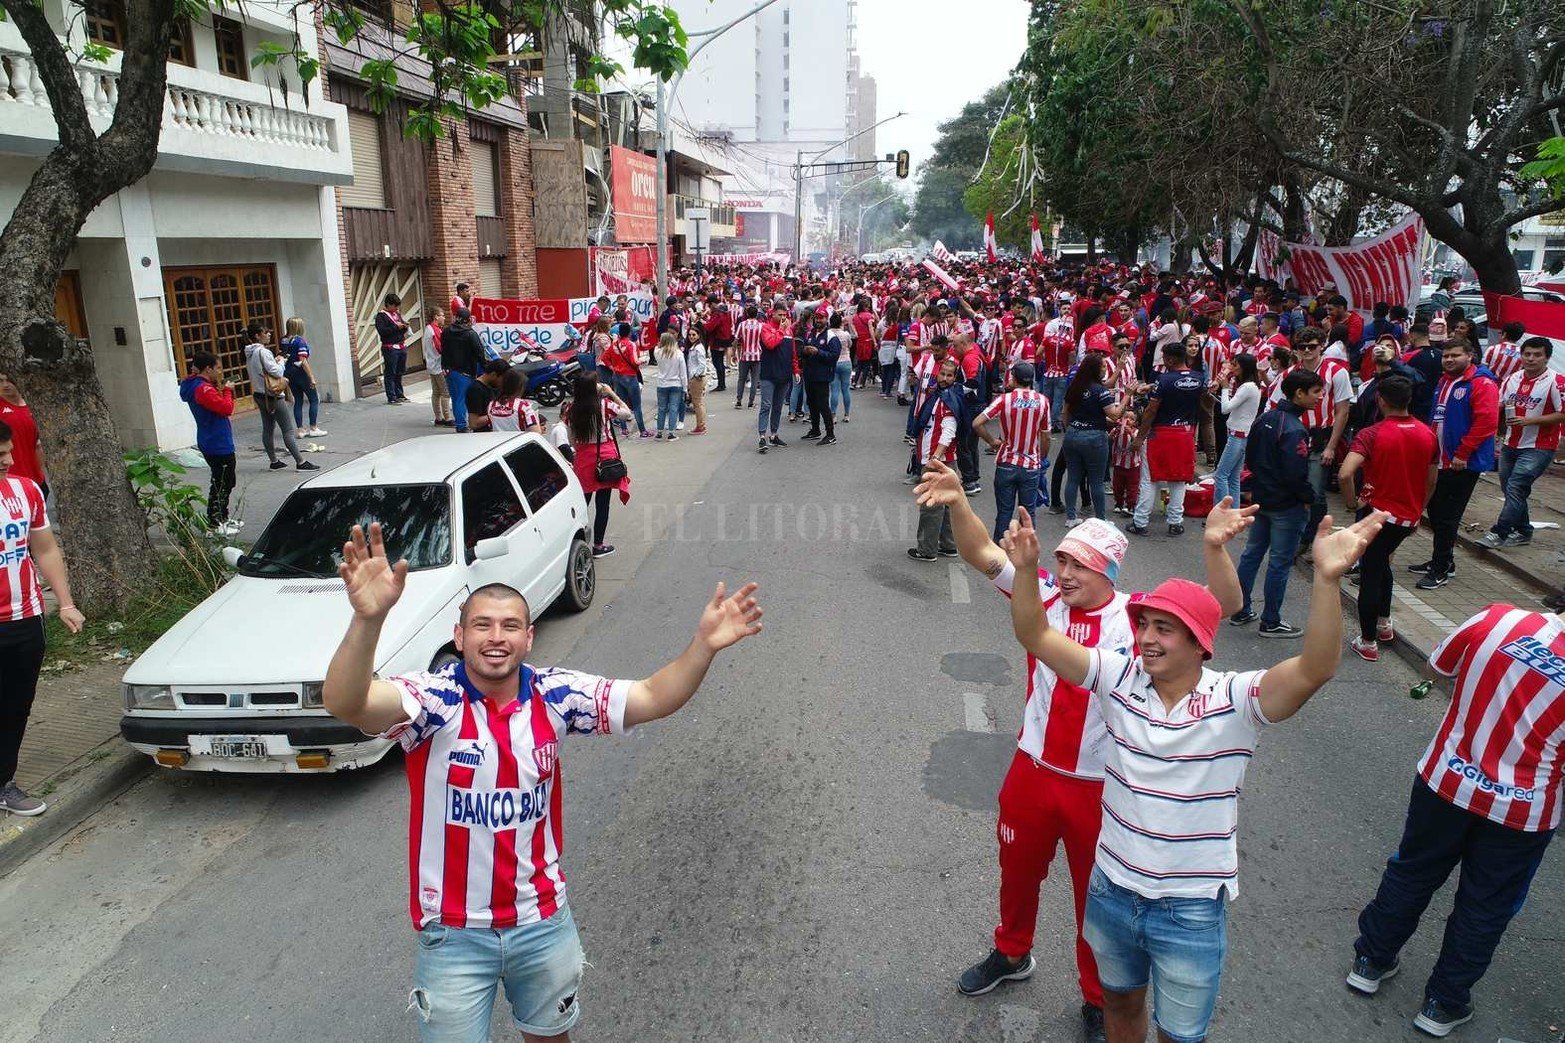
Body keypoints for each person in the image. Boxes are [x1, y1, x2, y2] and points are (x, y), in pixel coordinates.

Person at [320, 525, 762, 1042]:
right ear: (459, 637)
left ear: (528, 638)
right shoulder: (431, 702)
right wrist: (367, 620)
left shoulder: (555, 693)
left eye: (510, 625)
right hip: (454, 934)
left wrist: (703, 646)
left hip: (542, 922)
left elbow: (649, 697)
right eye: (481, 625)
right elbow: (347, 703)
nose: (496, 637)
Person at [1002, 501, 1383, 1043]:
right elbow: (1037, 636)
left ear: (1202, 643)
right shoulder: (1117, 677)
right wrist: (1023, 571)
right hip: (1111, 891)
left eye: (1167, 629)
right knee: (1119, 1006)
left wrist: (1325, 580)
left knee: (1180, 1034)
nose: (1149, 639)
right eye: (1145, 625)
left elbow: (1315, 668)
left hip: (1188, 912)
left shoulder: (1234, 700)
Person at [914, 460, 1250, 1043]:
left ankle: (1098, 999)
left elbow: (1217, 604)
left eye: (1078, 565)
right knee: (1016, 874)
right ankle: (1011, 953)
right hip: (1033, 769)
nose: (1063, 572)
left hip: (1100, 786)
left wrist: (1215, 547)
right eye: (1062, 559)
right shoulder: (1039, 593)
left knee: (1091, 900)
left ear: (1110, 571)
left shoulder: (1138, 617)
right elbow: (982, 555)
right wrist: (959, 505)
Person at [1347, 600, 1565, 1038]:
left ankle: (1372, 959)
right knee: (1485, 907)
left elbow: (1440, 665)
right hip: (1521, 811)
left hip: (1447, 778)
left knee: (1412, 871)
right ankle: (1443, 1003)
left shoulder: (1497, 617)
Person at [0, 418, 86, 817]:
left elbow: (45, 548)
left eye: (8, 453)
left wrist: (65, 602)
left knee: (16, 705)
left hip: (24, 617)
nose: (8, 461)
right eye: (0, 456)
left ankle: (4, 783)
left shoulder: (25, 490)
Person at [1337, 376, 1438, 662]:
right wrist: (1419, 509)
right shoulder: (1428, 434)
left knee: (1371, 571)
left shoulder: (1371, 434)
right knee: (1383, 564)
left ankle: (1367, 640)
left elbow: (1345, 474)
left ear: (1381, 400)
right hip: (1407, 517)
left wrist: (1351, 502)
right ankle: (1384, 623)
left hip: (1376, 514)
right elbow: (1431, 480)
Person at [1230, 369, 1324, 637]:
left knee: (1252, 554)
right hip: (1286, 506)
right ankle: (1271, 620)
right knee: (1279, 563)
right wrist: (1309, 498)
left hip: (1262, 500)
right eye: (1316, 392)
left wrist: (1250, 489)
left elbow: (1252, 458)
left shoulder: (1266, 418)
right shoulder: (1294, 428)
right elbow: (1295, 473)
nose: (1320, 397)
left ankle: (1240, 608)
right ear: (1299, 393)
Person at [1411, 339, 1499, 590]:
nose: (1449, 359)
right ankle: (1443, 561)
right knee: (1437, 514)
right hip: (1440, 460)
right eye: (1446, 355)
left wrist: (1463, 453)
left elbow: (1486, 422)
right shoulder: (1445, 380)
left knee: (1447, 518)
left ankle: (1440, 570)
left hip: (1460, 463)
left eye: (1455, 355)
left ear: (1470, 355)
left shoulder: (1482, 383)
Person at [1476, 337, 1564, 550]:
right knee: (1512, 490)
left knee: (1516, 487)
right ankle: (1524, 530)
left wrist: (1530, 421)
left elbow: (1563, 414)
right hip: (1510, 444)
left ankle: (1500, 532)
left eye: (1537, 355)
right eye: (1527, 354)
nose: (1531, 359)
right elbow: (1500, 406)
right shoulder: (1512, 379)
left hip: (1539, 446)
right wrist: (1496, 432)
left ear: (1547, 358)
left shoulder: (1557, 381)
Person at [1128, 342, 1205, 537]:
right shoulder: (1199, 378)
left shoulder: (1164, 379)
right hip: (1186, 433)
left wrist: (1139, 437)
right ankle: (1175, 522)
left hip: (1161, 434)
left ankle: (1140, 522)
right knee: (1179, 480)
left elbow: (1151, 410)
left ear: (1170, 359)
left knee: (1149, 480)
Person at [974, 362, 1051, 541]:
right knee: (1028, 514)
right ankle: (1027, 554)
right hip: (1030, 464)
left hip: (1006, 462)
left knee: (1004, 513)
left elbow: (977, 423)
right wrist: (1042, 457)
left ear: (1014, 378)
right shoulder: (1042, 401)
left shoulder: (1004, 400)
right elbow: (1046, 436)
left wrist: (992, 441)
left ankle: (1000, 555)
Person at [563, 373, 632, 556]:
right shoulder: (604, 405)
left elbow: (571, 440)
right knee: (603, 505)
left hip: (583, 460)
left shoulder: (570, 410)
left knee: (581, 503)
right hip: (605, 459)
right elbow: (627, 413)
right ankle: (599, 545)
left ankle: (575, 545)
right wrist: (611, 393)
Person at [243, 323, 318, 473]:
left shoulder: (249, 352)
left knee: (268, 428)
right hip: (273, 395)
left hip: (259, 393)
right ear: (257, 335)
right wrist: (281, 362)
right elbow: (276, 372)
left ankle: (274, 461)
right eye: (265, 331)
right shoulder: (263, 352)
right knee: (287, 430)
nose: (269, 334)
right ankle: (300, 462)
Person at [178, 352, 239, 534]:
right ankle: (215, 523)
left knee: (226, 480)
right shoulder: (203, 389)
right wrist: (228, 390)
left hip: (212, 439)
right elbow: (225, 408)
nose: (220, 372)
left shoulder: (195, 385)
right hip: (217, 442)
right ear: (208, 369)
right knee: (222, 482)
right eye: (218, 368)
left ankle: (223, 517)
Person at [908, 358, 962, 562]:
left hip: (938, 460)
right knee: (945, 504)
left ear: (954, 378)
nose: (945, 378)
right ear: (937, 374)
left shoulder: (948, 399)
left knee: (931, 506)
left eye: (950, 375)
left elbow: (949, 431)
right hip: (941, 459)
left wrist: (936, 457)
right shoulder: (941, 396)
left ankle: (927, 549)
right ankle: (948, 545)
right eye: (943, 374)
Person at [1059, 354, 1121, 524]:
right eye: (1102, 366)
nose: (1104, 369)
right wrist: (1128, 395)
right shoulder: (1100, 391)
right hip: (1095, 437)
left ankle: (1071, 517)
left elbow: (1065, 413)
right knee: (1096, 480)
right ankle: (1100, 519)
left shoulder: (1075, 387)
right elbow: (1114, 415)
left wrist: (1069, 429)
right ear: (1095, 369)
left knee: (1072, 478)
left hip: (1072, 434)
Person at [1214, 354, 1262, 507]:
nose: (1232, 368)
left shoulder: (1247, 387)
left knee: (1221, 475)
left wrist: (1225, 387)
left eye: (1235, 365)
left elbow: (1225, 408)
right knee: (1233, 478)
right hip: (1242, 434)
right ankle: (1233, 512)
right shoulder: (1252, 386)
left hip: (1237, 436)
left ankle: (1221, 511)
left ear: (1244, 367)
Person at [755, 307, 796, 454]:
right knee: (766, 406)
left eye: (785, 315)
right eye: (780, 315)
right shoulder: (766, 328)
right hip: (769, 374)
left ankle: (773, 434)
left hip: (784, 374)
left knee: (778, 407)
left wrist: (795, 369)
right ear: (773, 315)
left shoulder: (789, 330)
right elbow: (770, 344)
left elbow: (793, 352)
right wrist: (780, 330)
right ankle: (762, 436)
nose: (783, 317)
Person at [0, 372, 47, 499]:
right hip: (9, 483)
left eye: (9, 380)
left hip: (36, 481)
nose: (5, 385)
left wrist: (39, 473)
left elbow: (38, 445)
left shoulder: (37, 406)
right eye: (0, 381)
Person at [601, 323, 651, 439]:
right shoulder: (631, 345)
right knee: (637, 405)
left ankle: (624, 429)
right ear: (629, 332)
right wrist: (643, 360)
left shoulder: (614, 344)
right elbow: (634, 361)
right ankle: (642, 431)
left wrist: (612, 367)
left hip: (617, 377)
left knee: (621, 403)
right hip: (630, 376)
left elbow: (604, 358)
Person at [440, 308, 485, 434]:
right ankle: (461, 425)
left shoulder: (446, 331)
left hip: (449, 371)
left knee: (456, 398)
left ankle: (460, 423)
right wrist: (485, 367)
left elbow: (443, 350)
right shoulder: (470, 334)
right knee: (462, 398)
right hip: (465, 372)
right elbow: (479, 353)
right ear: (468, 319)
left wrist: (444, 366)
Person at [799, 313, 841, 446]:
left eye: (821, 318)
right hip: (809, 374)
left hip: (822, 375)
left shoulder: (831, 336)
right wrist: (805, 351)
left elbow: (834, 356)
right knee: (811, 403)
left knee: (823, 405)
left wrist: (818, 352)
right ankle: (815, 430)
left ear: (826, 320)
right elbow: (802, 351)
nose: (818, 320)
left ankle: (830, 434)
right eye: (816, 318)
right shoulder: (810, 334)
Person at [281, 316, 326, 437]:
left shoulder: (283, 340)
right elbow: (303, 360)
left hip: (289, 373)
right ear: (299, 327)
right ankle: (313, 427)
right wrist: (311, 377)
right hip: (301, 373)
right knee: (314, 399)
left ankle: (300, 429)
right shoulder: (300, 341)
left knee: (298, 401)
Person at [375, 293, 411, 405]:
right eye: (395, 306)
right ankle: (391, 396)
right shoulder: (381, 316)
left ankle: (399, 393)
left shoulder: (396, 314)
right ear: (389, 304)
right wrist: (396, 327)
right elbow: (382, 331)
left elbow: (400, 329)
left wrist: (405, 327)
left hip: (401, 345)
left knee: (400, 371)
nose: (396, 309)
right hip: (390, 347)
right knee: (391, 372)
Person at [422, 309, 453, 427]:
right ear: (436, 317)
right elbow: (440, 348)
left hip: (431, 364)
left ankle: (438, 417)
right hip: (438, 365)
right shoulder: (434, 331)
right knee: (445, 392)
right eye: (442, 315)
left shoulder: (428, 329)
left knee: (436, 392)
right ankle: (447, 418)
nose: (444, 318)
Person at [653, 332, 687, 441]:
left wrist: (659, 345)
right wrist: (685, 387)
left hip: (662, 384)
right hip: (676, 384)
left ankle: (659, 432)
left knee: (661, 408)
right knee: (673, 408)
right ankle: (671, 433)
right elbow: (683, 373)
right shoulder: (678, 354)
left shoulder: (658, 353)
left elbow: (656, 348)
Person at [486, 369, 543, 434]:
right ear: (520, 387)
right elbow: (536, 432)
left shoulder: (491, 405)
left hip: (498, 441)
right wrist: (535, 414)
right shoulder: (524, 406)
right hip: (519, 442)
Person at [462, 360, 510, 434]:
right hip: (484, 436)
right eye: (502, 379)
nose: (503, 382)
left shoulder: (494, 387)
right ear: (494, 375)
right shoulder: (475, 390)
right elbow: (474, 423)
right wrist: (498, 413)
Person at [733, 304, 765, 409]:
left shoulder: (742, 324)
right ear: (757, 315)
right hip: (756, 356)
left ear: (747, 314)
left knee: (741, 379)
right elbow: (764, 341)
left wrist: (734, 353)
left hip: (744, 355)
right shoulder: (761, 325)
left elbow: (736, 340)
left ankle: (738, 400)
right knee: (755, 379)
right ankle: (751, 402)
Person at [686, 334, 709, 436]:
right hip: (697, 377)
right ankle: (701, 425)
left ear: (699, 335)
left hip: (697, 379)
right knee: (699, 403)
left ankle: (700, 426)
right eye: (690, 335)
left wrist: (695, 375)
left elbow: (702, 364)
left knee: (697, 403)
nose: (692, 337)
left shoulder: (698, 348)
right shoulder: (695, 347)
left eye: (694, 335)